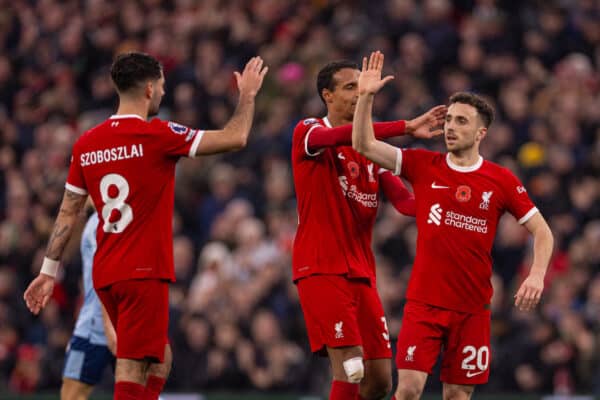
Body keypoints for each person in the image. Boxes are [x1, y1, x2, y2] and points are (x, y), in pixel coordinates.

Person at [24, 52, 267, 400]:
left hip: (107, 272)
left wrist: (48, 271)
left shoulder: (86, 143)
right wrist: (247, 97)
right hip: (142, 271)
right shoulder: (157, 135)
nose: (165, 94)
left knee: (159, 359)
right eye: (164, 87)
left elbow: (67, 213)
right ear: (150, 89)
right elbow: (236, 136)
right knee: (131, 366)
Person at [352, 51, 554, 400]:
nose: (450, 127)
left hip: (473, 310)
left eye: (461, 121)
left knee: (457, 396)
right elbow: (363, 144)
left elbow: (543, 231)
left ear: (481, 133)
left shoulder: (500, 180)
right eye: (449, 120)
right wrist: (366, 96)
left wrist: (536, 274)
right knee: (409, 391)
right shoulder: (423, 165)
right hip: (424, 305)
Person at [291, 60, 446, 400]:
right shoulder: (309, 130)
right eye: (351, 87)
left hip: (361, 272)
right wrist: (405, 125)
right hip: (321, 267)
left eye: (361, 86)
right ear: (327, 95)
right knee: (350, 366)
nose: (359, 91)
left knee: (378, 381)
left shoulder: (372, 154)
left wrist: (450, 207)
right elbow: (343, 136)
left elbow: (405, 203)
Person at [62, 212, 116, 400]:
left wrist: (108, 328)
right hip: (105, 324)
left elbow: (106, 277)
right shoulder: (97, 222)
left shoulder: (100, 225)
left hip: (97, 329)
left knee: (72, 394)